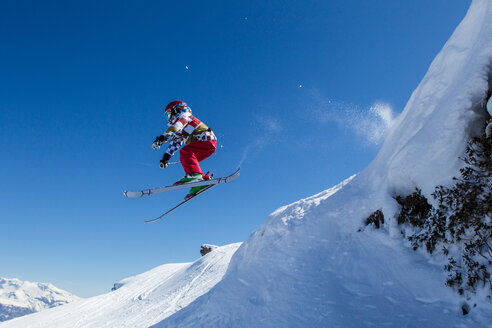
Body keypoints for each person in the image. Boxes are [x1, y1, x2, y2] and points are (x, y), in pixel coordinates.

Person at [152, 100, 217, 199]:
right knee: (186, 159)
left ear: (177, 110)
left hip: (205, 140)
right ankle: (199, 183)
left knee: (185, 152)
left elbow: (176, 126)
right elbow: (175, 143)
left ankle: (195, 176)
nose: (169, 119)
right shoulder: (183, 129)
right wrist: (166, 158)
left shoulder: (184, 117)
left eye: (169, 115)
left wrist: (163, 137)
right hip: (207, 146)